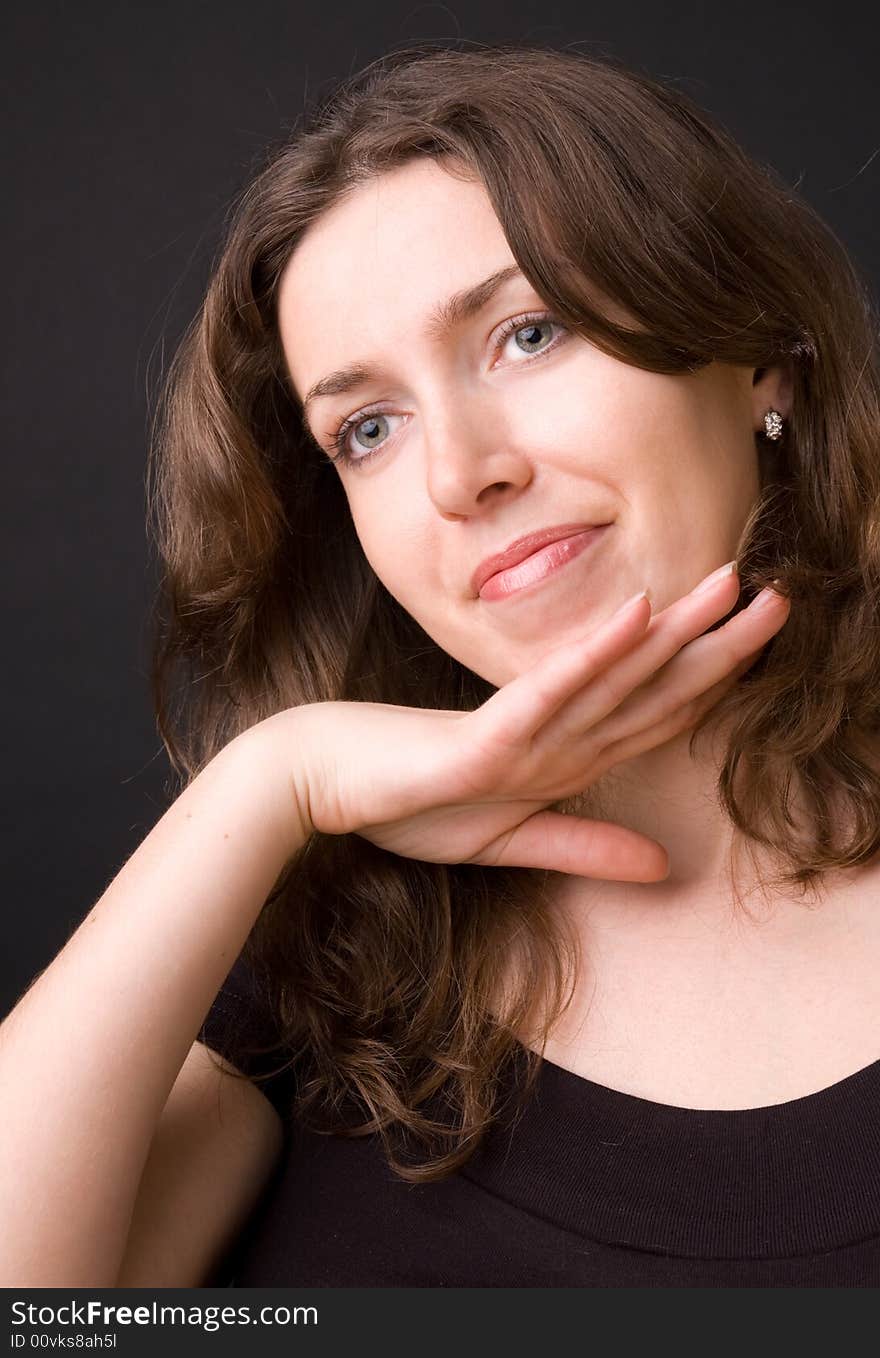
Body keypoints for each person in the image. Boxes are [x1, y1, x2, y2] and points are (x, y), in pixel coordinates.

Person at [2, 40, 879, 1289]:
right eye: (366, 427)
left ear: (759, 366)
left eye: (529, 332)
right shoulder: (324, 960)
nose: (461, 473)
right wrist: (270, 779)